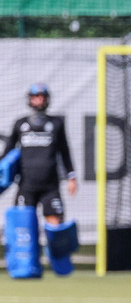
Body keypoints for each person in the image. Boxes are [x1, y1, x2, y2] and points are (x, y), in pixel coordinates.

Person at [2, 83, 77, 225]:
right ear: (30, 99)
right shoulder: (20, 124)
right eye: (36, 96)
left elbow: (64, 151)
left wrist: (71, 176)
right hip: (26, 185)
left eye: (43, 96)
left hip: (51, 186)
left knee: (55, 225)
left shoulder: (56, 123)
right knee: (23, 227)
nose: (40, 100)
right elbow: (8, 151)